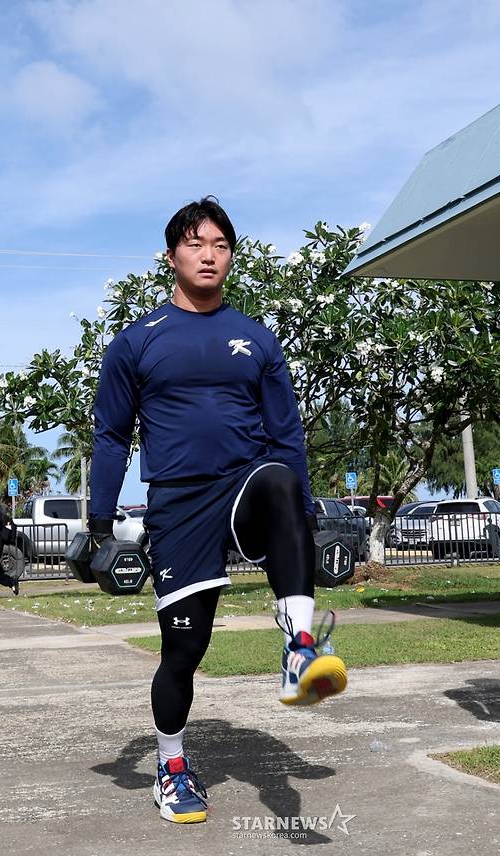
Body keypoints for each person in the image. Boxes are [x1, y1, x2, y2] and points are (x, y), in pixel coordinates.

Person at [89, 197, 347, 824]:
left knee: (282, 478)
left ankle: (300, 648)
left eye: (221, 245)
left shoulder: (256, 337)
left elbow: (286, 433)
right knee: (184, 649)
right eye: (196, 243)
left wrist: (302, 506)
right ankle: (171, 763)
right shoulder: (135, 343)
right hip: (179, 502)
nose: (209, 255)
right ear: (172, 254)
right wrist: (99, 522)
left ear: (232, 255)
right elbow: (111, 436)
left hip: (243, 483)